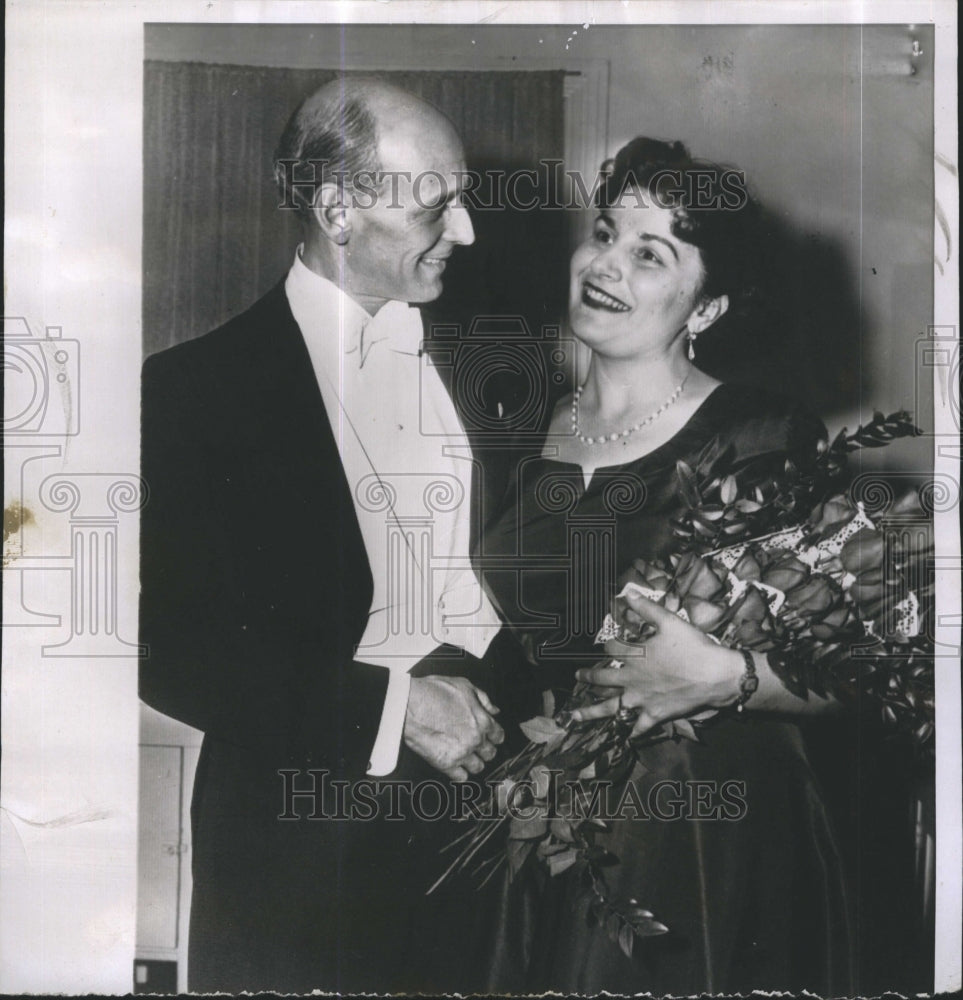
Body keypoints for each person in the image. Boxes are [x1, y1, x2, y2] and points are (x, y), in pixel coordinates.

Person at [139, 78, 537, 993]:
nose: (468, 230)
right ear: (337, 209)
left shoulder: (501, 371)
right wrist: (395, 710)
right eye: (437, 202)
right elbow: (171, 648)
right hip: (303, 849)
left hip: (497, 833)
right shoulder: (196, 392)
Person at [479, 137, 853, 994]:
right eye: (604, 231)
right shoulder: (510, 425)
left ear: (707, 307)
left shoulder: (759, 436)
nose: (605, 264)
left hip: (698, 831)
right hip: (534, 815)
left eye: (650, 254)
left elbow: (854, 674)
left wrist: (722, 677)